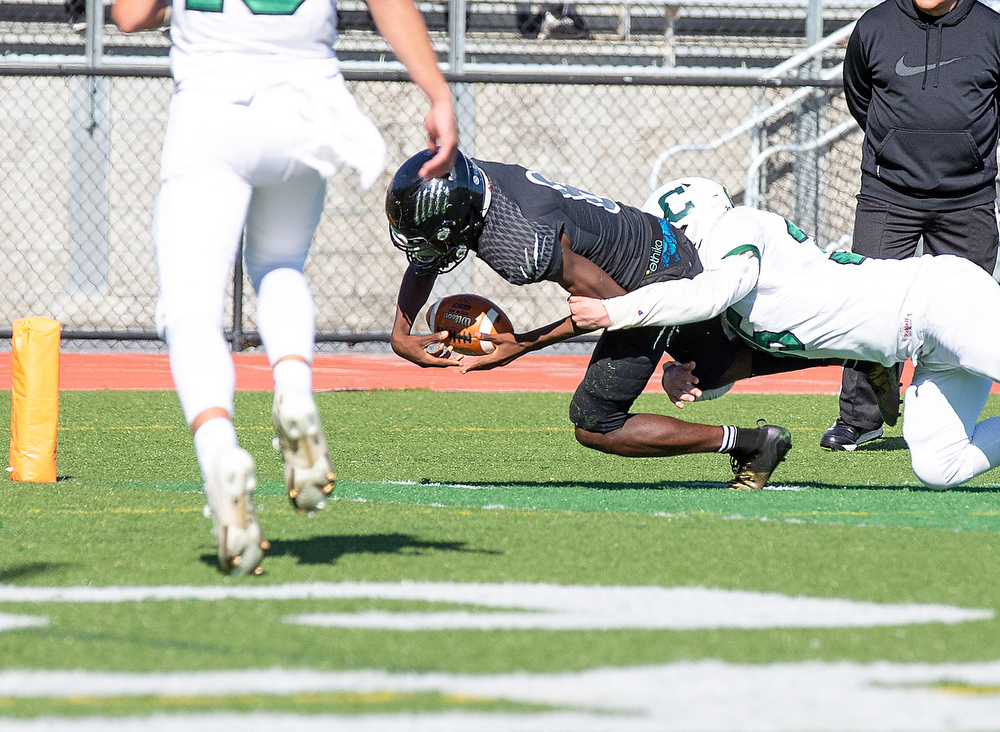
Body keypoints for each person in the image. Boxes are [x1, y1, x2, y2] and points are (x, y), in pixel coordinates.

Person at [112, 0, 458, 575]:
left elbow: (129, 14)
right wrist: (438, 93)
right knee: (280, 265)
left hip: (213, 107)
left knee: (191, 310)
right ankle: (294, 391)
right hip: (305, 109)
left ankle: (219, 450)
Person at [386, 150, 809, 492]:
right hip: (655, 243)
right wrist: (400, 333)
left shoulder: (520, 243)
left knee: (596, 422)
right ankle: (840, 358)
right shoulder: (473, 178)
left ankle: (752, 443)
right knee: (710, 368)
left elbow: (611, 305)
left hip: (651, 277)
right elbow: (429, 256)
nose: (422, 249)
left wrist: (523, 344)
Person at [568, 177, 1000, 489]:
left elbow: (709, 296)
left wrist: (614, 311)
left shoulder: (737, 230)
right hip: (925, 349)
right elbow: (721, 374)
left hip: (937, 301)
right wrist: (678, 372)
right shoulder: (727, 287)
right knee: (939, 465)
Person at [826, 0, 1000, 451]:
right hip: (888, 194)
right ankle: (860, 419)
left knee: (963, 315)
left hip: (968, 199)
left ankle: (945, 421)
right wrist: (893, 147)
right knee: (867, 307)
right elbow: (860, 98)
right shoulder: (875, 25)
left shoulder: (992, 29)